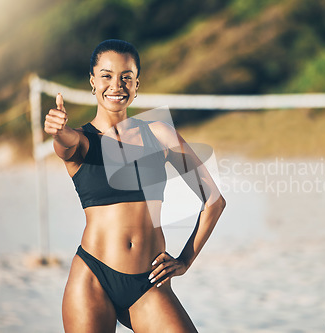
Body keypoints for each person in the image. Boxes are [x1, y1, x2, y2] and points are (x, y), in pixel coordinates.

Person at [43, 39, 226, 333]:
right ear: (93, 82)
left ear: (137, 84)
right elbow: (65, 145)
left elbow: (214, 201)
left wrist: (185, 260)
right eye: (106, 75)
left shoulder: (160, 135)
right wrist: (59, 130)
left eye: (126, 77)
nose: (116, 85)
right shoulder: (81, 141)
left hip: (148, 281)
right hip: (92, 277)